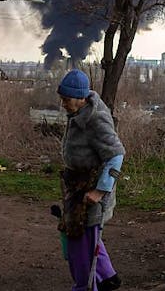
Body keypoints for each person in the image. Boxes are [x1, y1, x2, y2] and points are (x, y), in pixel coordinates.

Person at [57, 69, 125, 291]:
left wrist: (99, 192)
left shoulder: (95, 119)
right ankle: (108, 278)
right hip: (77, 190)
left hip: (91, 195)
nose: (63, 103)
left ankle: (85, 287)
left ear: (81, 97)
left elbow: (116, 155)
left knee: (81, 250)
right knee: (87, 239)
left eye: (66, 99)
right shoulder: (78, 113)